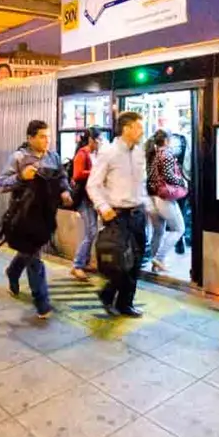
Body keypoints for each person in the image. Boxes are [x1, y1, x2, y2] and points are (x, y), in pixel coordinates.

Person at [0, 120, 72, 318]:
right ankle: (42, 302)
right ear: (30, 138)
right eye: (42, 136)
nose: (47, 140)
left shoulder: (53, 157)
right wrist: (21, 177)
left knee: (29, 251)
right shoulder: (19, 157)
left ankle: (12, 272)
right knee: (34, 258)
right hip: (24, 215)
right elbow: (2, 184)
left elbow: (62, 177)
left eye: (48, 136)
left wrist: (65, 191)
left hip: (46, 215)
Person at [87, 111, 149, 318]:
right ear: (127, 129)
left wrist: (145, 204)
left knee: (137, 261)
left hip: (138, 214)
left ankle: (125, 304)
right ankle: (108, 293)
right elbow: (93, 185)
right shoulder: (109, 152)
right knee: (121, 262)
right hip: (118, 215)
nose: (142, 131)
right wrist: (103, 208)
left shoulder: (140, 152)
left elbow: (141, 183)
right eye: (139, 127)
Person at [145, 130, 188, 273]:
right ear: (166, 140)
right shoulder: (167, 154)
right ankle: (159, 257)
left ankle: (153, 263)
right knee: (179, 229)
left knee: (159, 231)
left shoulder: (155, 154)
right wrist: (182, 181)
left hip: (155, 197)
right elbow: (169, 176)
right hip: (165, 197)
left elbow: (151, 177)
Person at [70, 127, 103, 281]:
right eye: (98, 140)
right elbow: (77, 175)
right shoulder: (82, 154)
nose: (100, 142)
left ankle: (86, 262)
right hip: (83, 198)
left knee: (92, 231)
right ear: (91, 140)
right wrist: (95, 171)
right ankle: (77, 265)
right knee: (91, 231)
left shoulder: (95, 154)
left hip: (93, 198)